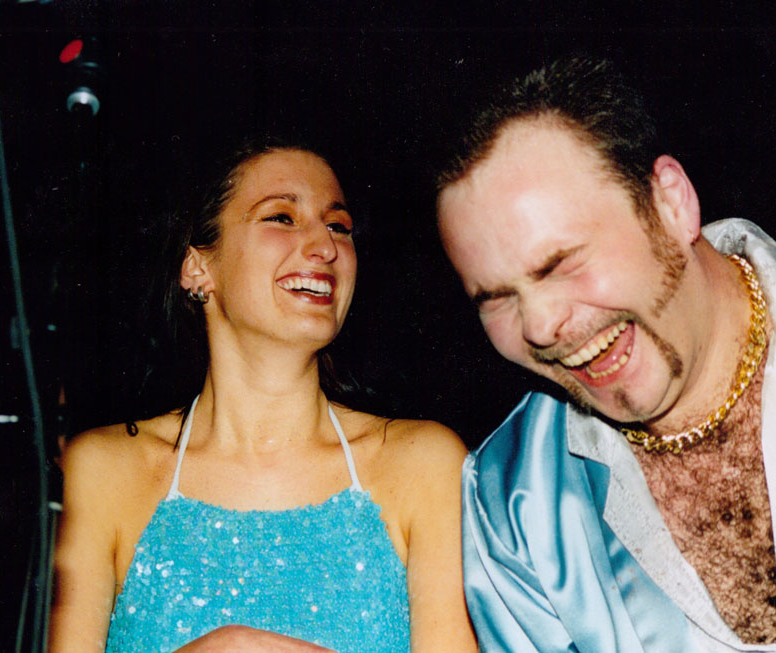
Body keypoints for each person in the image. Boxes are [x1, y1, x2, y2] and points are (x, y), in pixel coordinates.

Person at [436, 57, 776, 652]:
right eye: (496, 299)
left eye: (560, 264)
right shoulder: (511, 513)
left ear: (671, 202)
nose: (538, 326)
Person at [49, 134, 477, 652]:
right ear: (197, 267)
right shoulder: (103, 472)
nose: (325, 247)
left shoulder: (423, 464)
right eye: (282, 217)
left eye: (339, 226)